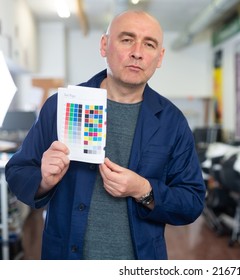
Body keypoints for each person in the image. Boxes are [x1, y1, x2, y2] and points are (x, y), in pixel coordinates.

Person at [5, 10, 206, 260]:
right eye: (126, 39)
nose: (137, 52)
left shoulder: (172, 122)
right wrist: (44, 179)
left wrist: (144, 189)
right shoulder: (61, 106)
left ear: (160, 57)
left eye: (149, 44)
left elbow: (192, 201)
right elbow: (17, 172)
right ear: (104, 45)